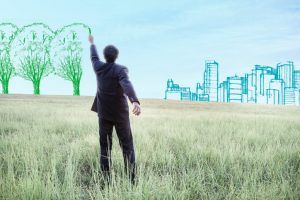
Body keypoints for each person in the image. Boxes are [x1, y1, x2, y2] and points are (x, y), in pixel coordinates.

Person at [88, 35, 141, 184]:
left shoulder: (98, 67)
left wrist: (92, 43)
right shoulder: (120, 70)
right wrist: (134, 101)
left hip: (104, 113)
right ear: (116, 57)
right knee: (127, 146)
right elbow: (126, 84)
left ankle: (106, 180)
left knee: (105, 146)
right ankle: (132, 180)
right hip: (120, 115)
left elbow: (93, 57)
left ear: (105, 56)